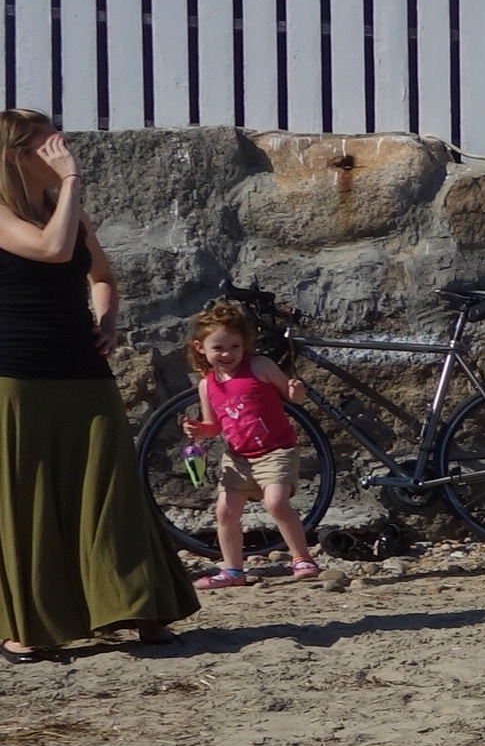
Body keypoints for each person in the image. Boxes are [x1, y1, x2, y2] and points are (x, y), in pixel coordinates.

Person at [0, 111, 192, 661]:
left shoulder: (65, 209)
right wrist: (71, 181)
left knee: (111, 489)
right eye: (49, 144)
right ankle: (26, 626)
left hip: (83, 366)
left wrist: (106, 318)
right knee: (27, 497)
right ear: (17, 155)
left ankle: (139, 607)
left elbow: (101, 276)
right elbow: (52, 251)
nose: (62, 149)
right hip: (17, 371)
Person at [185, 301, 321, 588]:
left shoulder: (260, 366)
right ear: (200, 348)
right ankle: (233, 571)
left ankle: (301, 557)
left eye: (235, 347)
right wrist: (199, 429)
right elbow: (213, 425)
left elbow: (291, 397)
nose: (228, 354)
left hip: (276, 450)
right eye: (219, 348)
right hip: (238, 456)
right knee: (225, 512)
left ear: (244, 344)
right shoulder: (207, 384)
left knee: (276, 502)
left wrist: (297, 391)